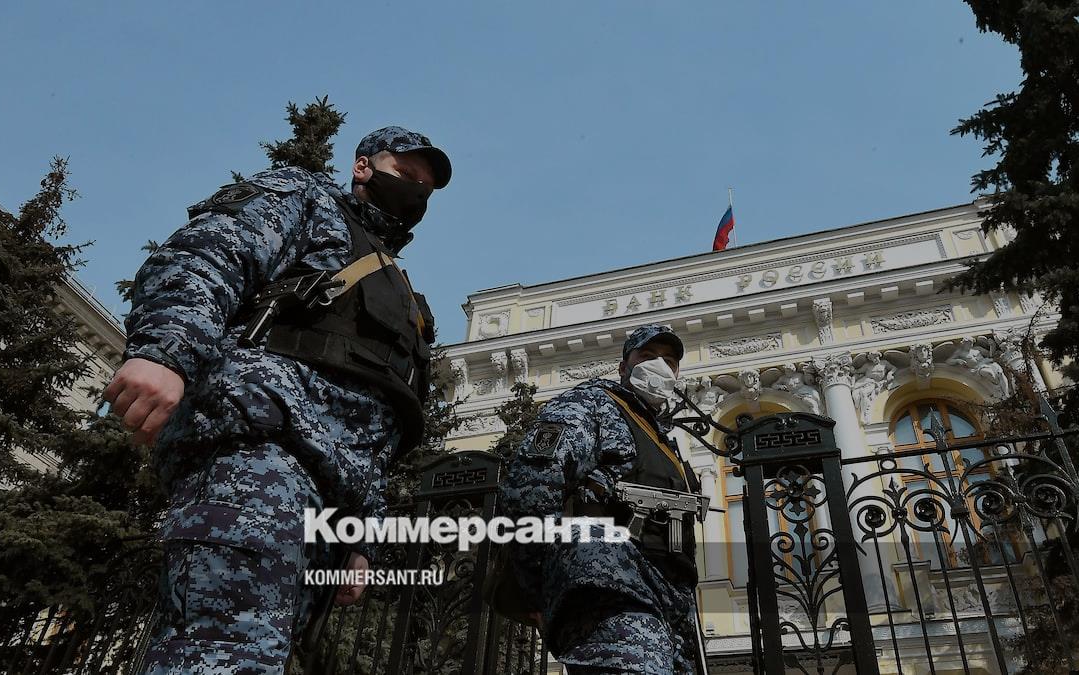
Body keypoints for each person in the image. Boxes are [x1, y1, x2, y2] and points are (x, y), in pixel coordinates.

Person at [102, 126, 452, 673]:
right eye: (404, 174)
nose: (414, 192)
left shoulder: (402, 289)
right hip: (260, 457)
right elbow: (210, 252)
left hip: (332, 508)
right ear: (363, 166)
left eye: (424, 188)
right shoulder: (306, 200)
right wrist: (166, 351)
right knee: (221, 650)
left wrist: (363, 534)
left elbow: (377, 419)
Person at [498, 324, 706, 674]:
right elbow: (531, 485)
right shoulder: (592, 403)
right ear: (624, 367)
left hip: (669, 603)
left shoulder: (661, 438)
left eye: (669, 361)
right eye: (647, 356)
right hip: (610, 592)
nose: (659, 366)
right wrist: (535, 586)